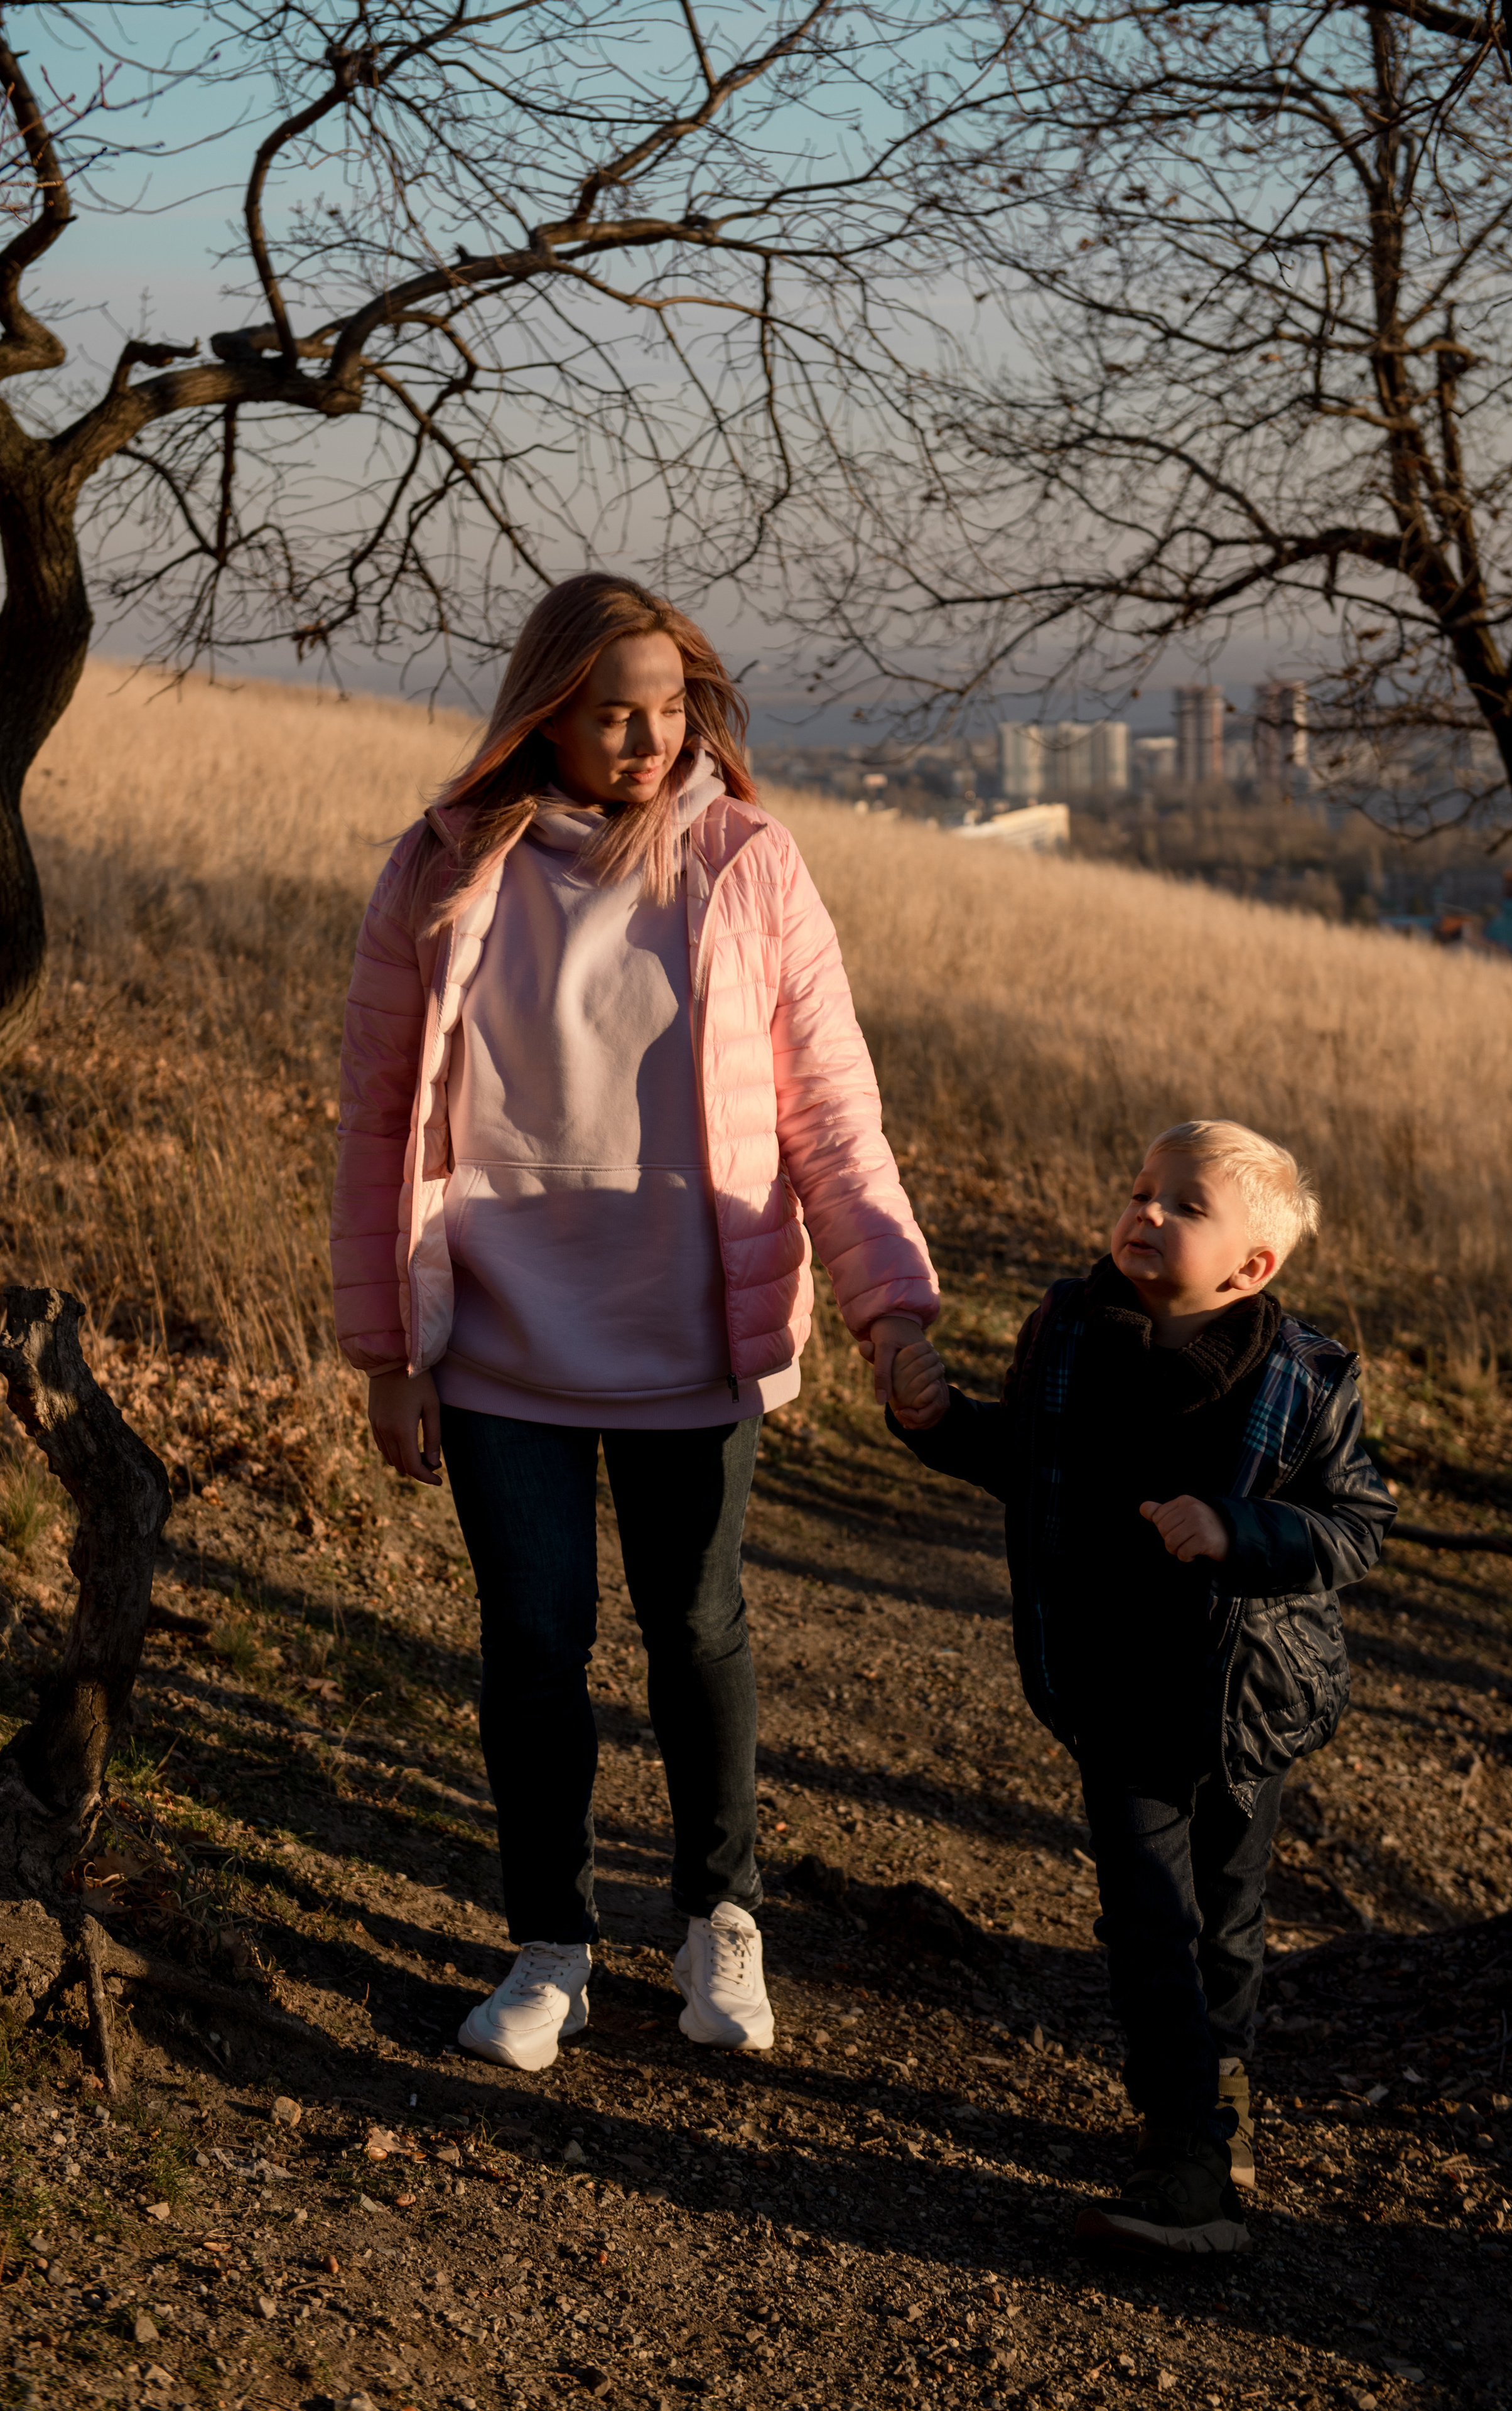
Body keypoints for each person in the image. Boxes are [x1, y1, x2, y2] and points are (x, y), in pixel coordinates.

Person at [331, 573, 938, 2073]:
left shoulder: (748, 864)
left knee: (696, 1629)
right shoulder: (439, 868)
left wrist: (891, 1309)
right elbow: (372, 1126)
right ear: (545, 711)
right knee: (532, 1646)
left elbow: (830, 1111)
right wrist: (386, 1357)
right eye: (616, 712)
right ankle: (548, 1947)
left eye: (672, 710)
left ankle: (717, 1920)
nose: (651, 740)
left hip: (690, 1326)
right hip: (496, 1337)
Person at [886, 1120, 1393, 2255]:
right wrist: (934, 1423)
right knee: (1152, 1920)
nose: (1147, 1213)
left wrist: (1234, 1527)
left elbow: (1357, 1527)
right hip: (1116, 1686)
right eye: (1140, 1191)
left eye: (1185, 1205)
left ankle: (1223, 2092)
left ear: (1252, 1268)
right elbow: (1026, 1462)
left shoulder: (1306, 1379)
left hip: (1244, 1698)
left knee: (1229, 1916)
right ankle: (1187, 2163)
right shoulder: (1072, 1333)